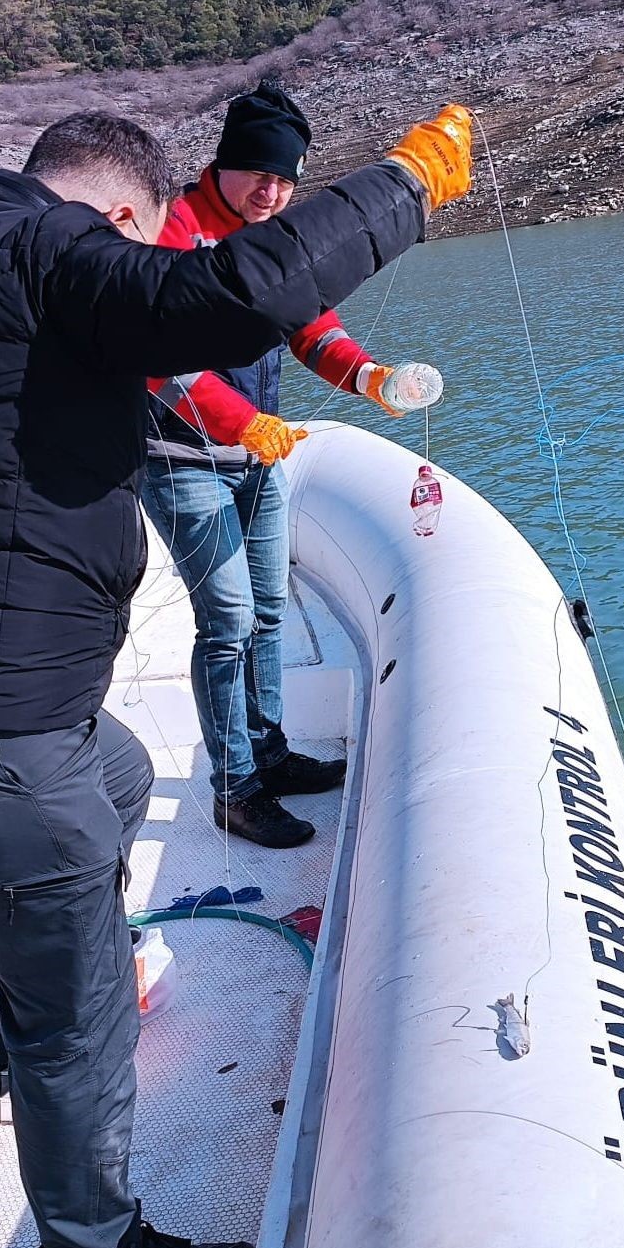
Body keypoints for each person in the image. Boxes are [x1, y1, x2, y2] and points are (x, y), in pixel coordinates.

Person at [0, 104, 473, 1248]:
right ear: (117, 218)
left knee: (116, 773)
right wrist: (403, 186)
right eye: (138, 245)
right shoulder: (52, 249)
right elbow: (221, 299)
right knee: (84, 1006)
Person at [142, 83, 441, 847]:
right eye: (258, 174)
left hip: (259, 455)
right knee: (228, 622)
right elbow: (154, 357)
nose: (271, 193)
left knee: (269, 611)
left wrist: (370, 377)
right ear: (223, 163)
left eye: (284, 180)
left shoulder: (273, 234)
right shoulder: (173, 230)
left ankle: (268, 754)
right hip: (183, 462)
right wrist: (239, 422)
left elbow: (312, 327)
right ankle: (234, 789)